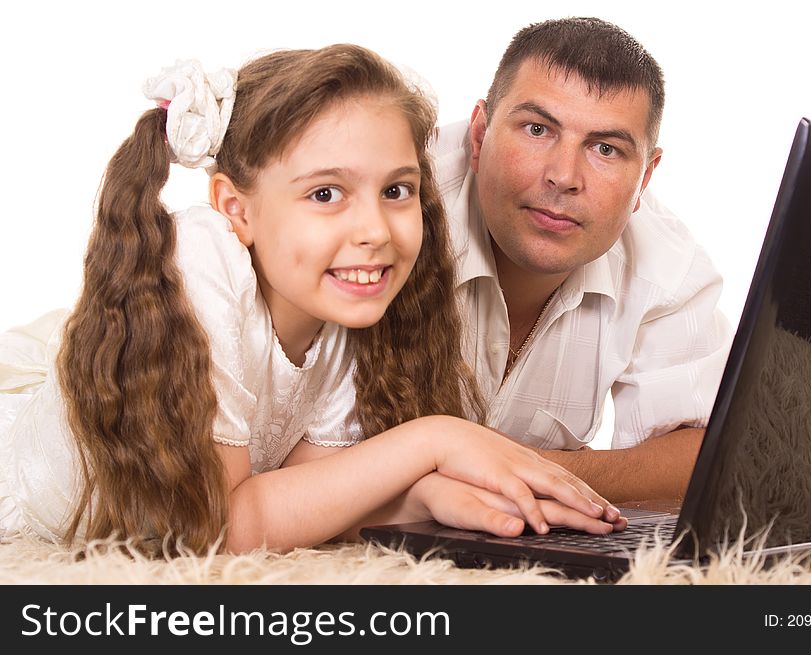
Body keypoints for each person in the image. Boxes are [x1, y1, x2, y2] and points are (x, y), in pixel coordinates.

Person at [0, 44, 625, 556]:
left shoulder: (347, 310)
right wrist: (434, 441)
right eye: (326, 194)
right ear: (235, 208)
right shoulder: (199, 258)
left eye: (397, 191)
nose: (375, 231)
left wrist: (424, 496)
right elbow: (212, 527)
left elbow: (294, 496)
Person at [432, 17, 733, 502]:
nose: (564, 176)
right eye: (537, 129)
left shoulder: (667, 265)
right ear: (479, 134)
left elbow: (710, 450)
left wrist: (514, 468)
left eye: (605, 149)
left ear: (646, 177)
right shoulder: (392, 199)